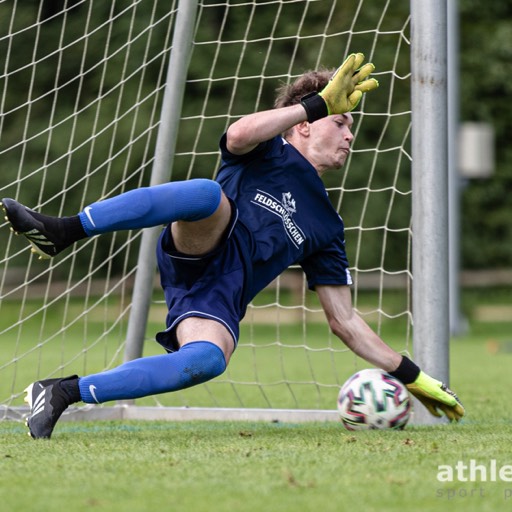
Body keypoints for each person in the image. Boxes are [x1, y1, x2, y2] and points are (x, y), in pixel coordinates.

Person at [2, 53, 464, 439]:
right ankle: (63, 231)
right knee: (206, 194)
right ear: (304, 125)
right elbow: (239, 134)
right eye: (340, 122)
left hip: (216, 294)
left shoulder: (327, 226)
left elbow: (344, 320)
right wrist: (316, 105)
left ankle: (62, 391)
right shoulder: (270, 149)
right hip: (203, 238)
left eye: (350, 127)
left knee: (207, 361)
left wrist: (412, 375)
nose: (348, 135)